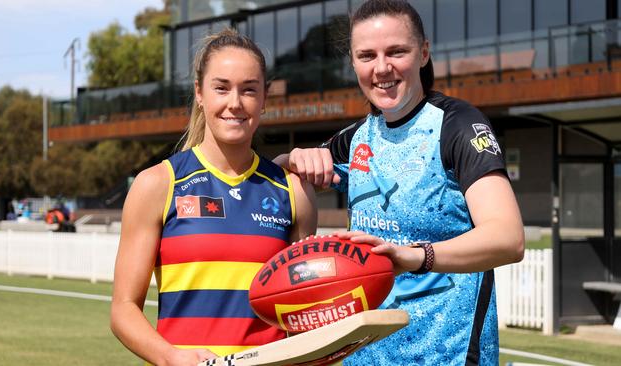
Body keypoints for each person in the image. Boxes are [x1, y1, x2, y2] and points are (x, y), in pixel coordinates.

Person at [275, 1, 525, 365]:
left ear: (423, 53)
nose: (382, 68)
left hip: (447, 354)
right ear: (354, 63)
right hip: (363, 355)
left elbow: (508, 237)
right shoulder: (358, 136)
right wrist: (293, 159)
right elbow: (279, 177)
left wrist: (413, 257)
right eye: (367, 56)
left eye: (397, 52)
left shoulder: (457, 126)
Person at [111, 28, 318, 366]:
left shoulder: (293, 191)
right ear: (200, 94)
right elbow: (123, 309)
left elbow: (301, 310)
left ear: (265, 98)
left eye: (249, 90)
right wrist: (170, 357)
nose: (234, 103)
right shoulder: (158, 184)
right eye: (221, 88)